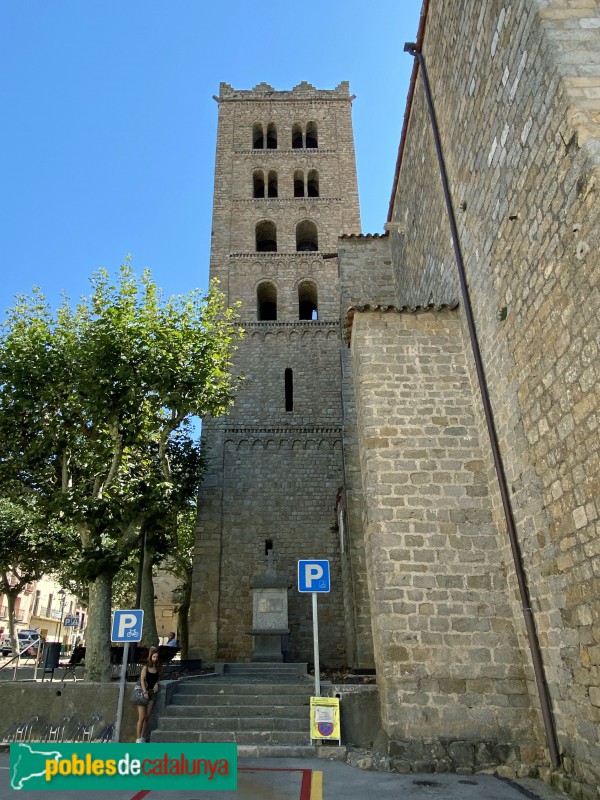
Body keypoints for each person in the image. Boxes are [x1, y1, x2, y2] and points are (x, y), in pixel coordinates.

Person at [135, 647, 161, 742]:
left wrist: (156, 684)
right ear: (150, 657)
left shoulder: (157, 668)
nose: (155, 659)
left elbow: (158, 678)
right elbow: (142, 680)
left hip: (152, 693)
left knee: (147, 716)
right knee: (141, 717)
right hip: (143, 692)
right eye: (154, 657)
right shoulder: (146, 667)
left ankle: (142, 736)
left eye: (157, 657)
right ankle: (138, 738)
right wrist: (144, 691)